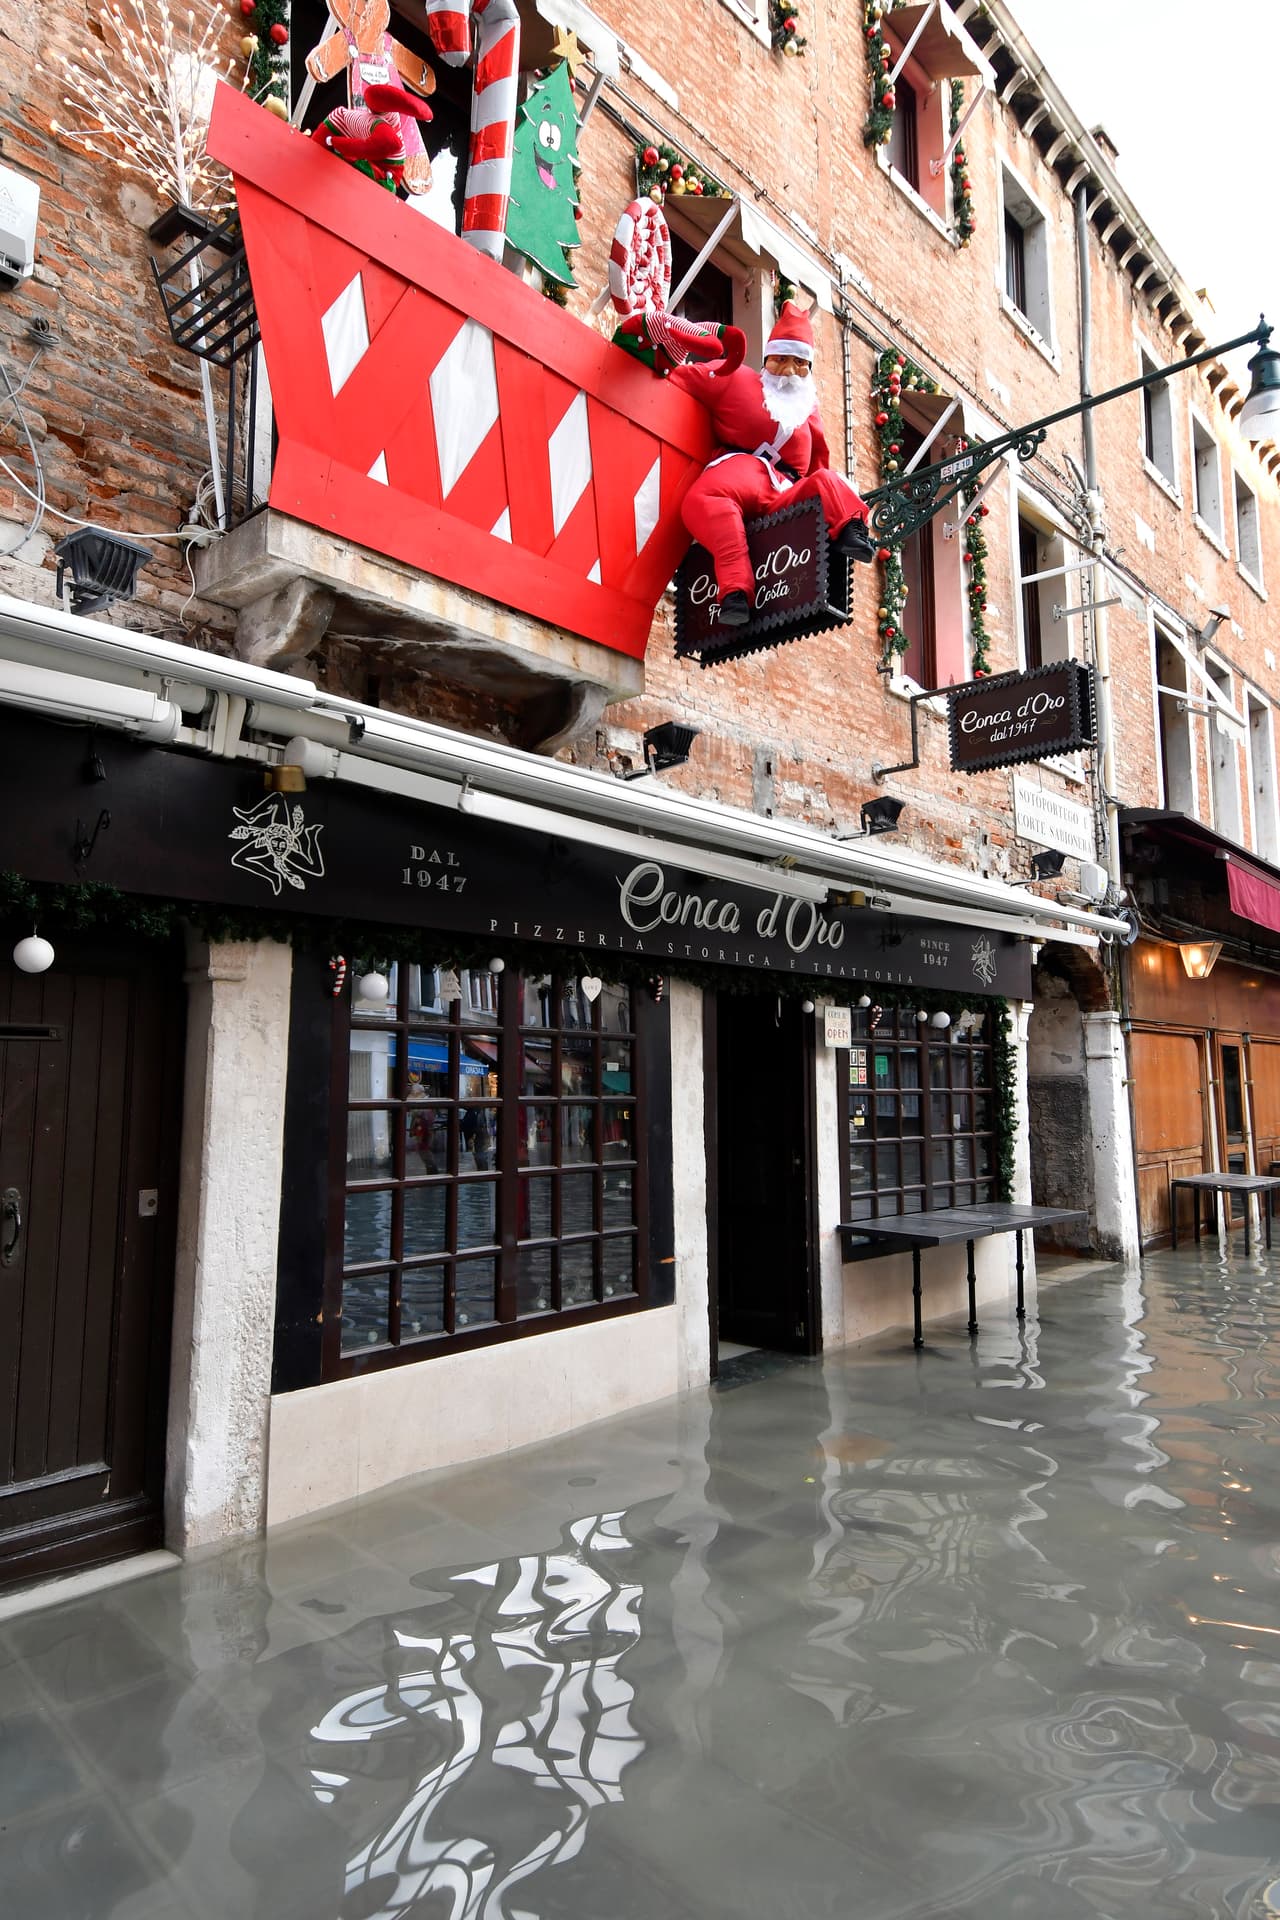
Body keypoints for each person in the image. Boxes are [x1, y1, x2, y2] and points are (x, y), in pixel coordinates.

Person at [666, 300, 876, 626]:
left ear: (808, 367)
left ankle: (853, 529)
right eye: (780, 360)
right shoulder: (735, 378)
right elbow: (682, 379)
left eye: (799, 363)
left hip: (785, 490)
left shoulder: (809, 411)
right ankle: (735, 591)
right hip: (740, 472)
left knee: (827, 482)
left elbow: (819, 464)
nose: (790, 371)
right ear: (767, 359)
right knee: (705, 499)